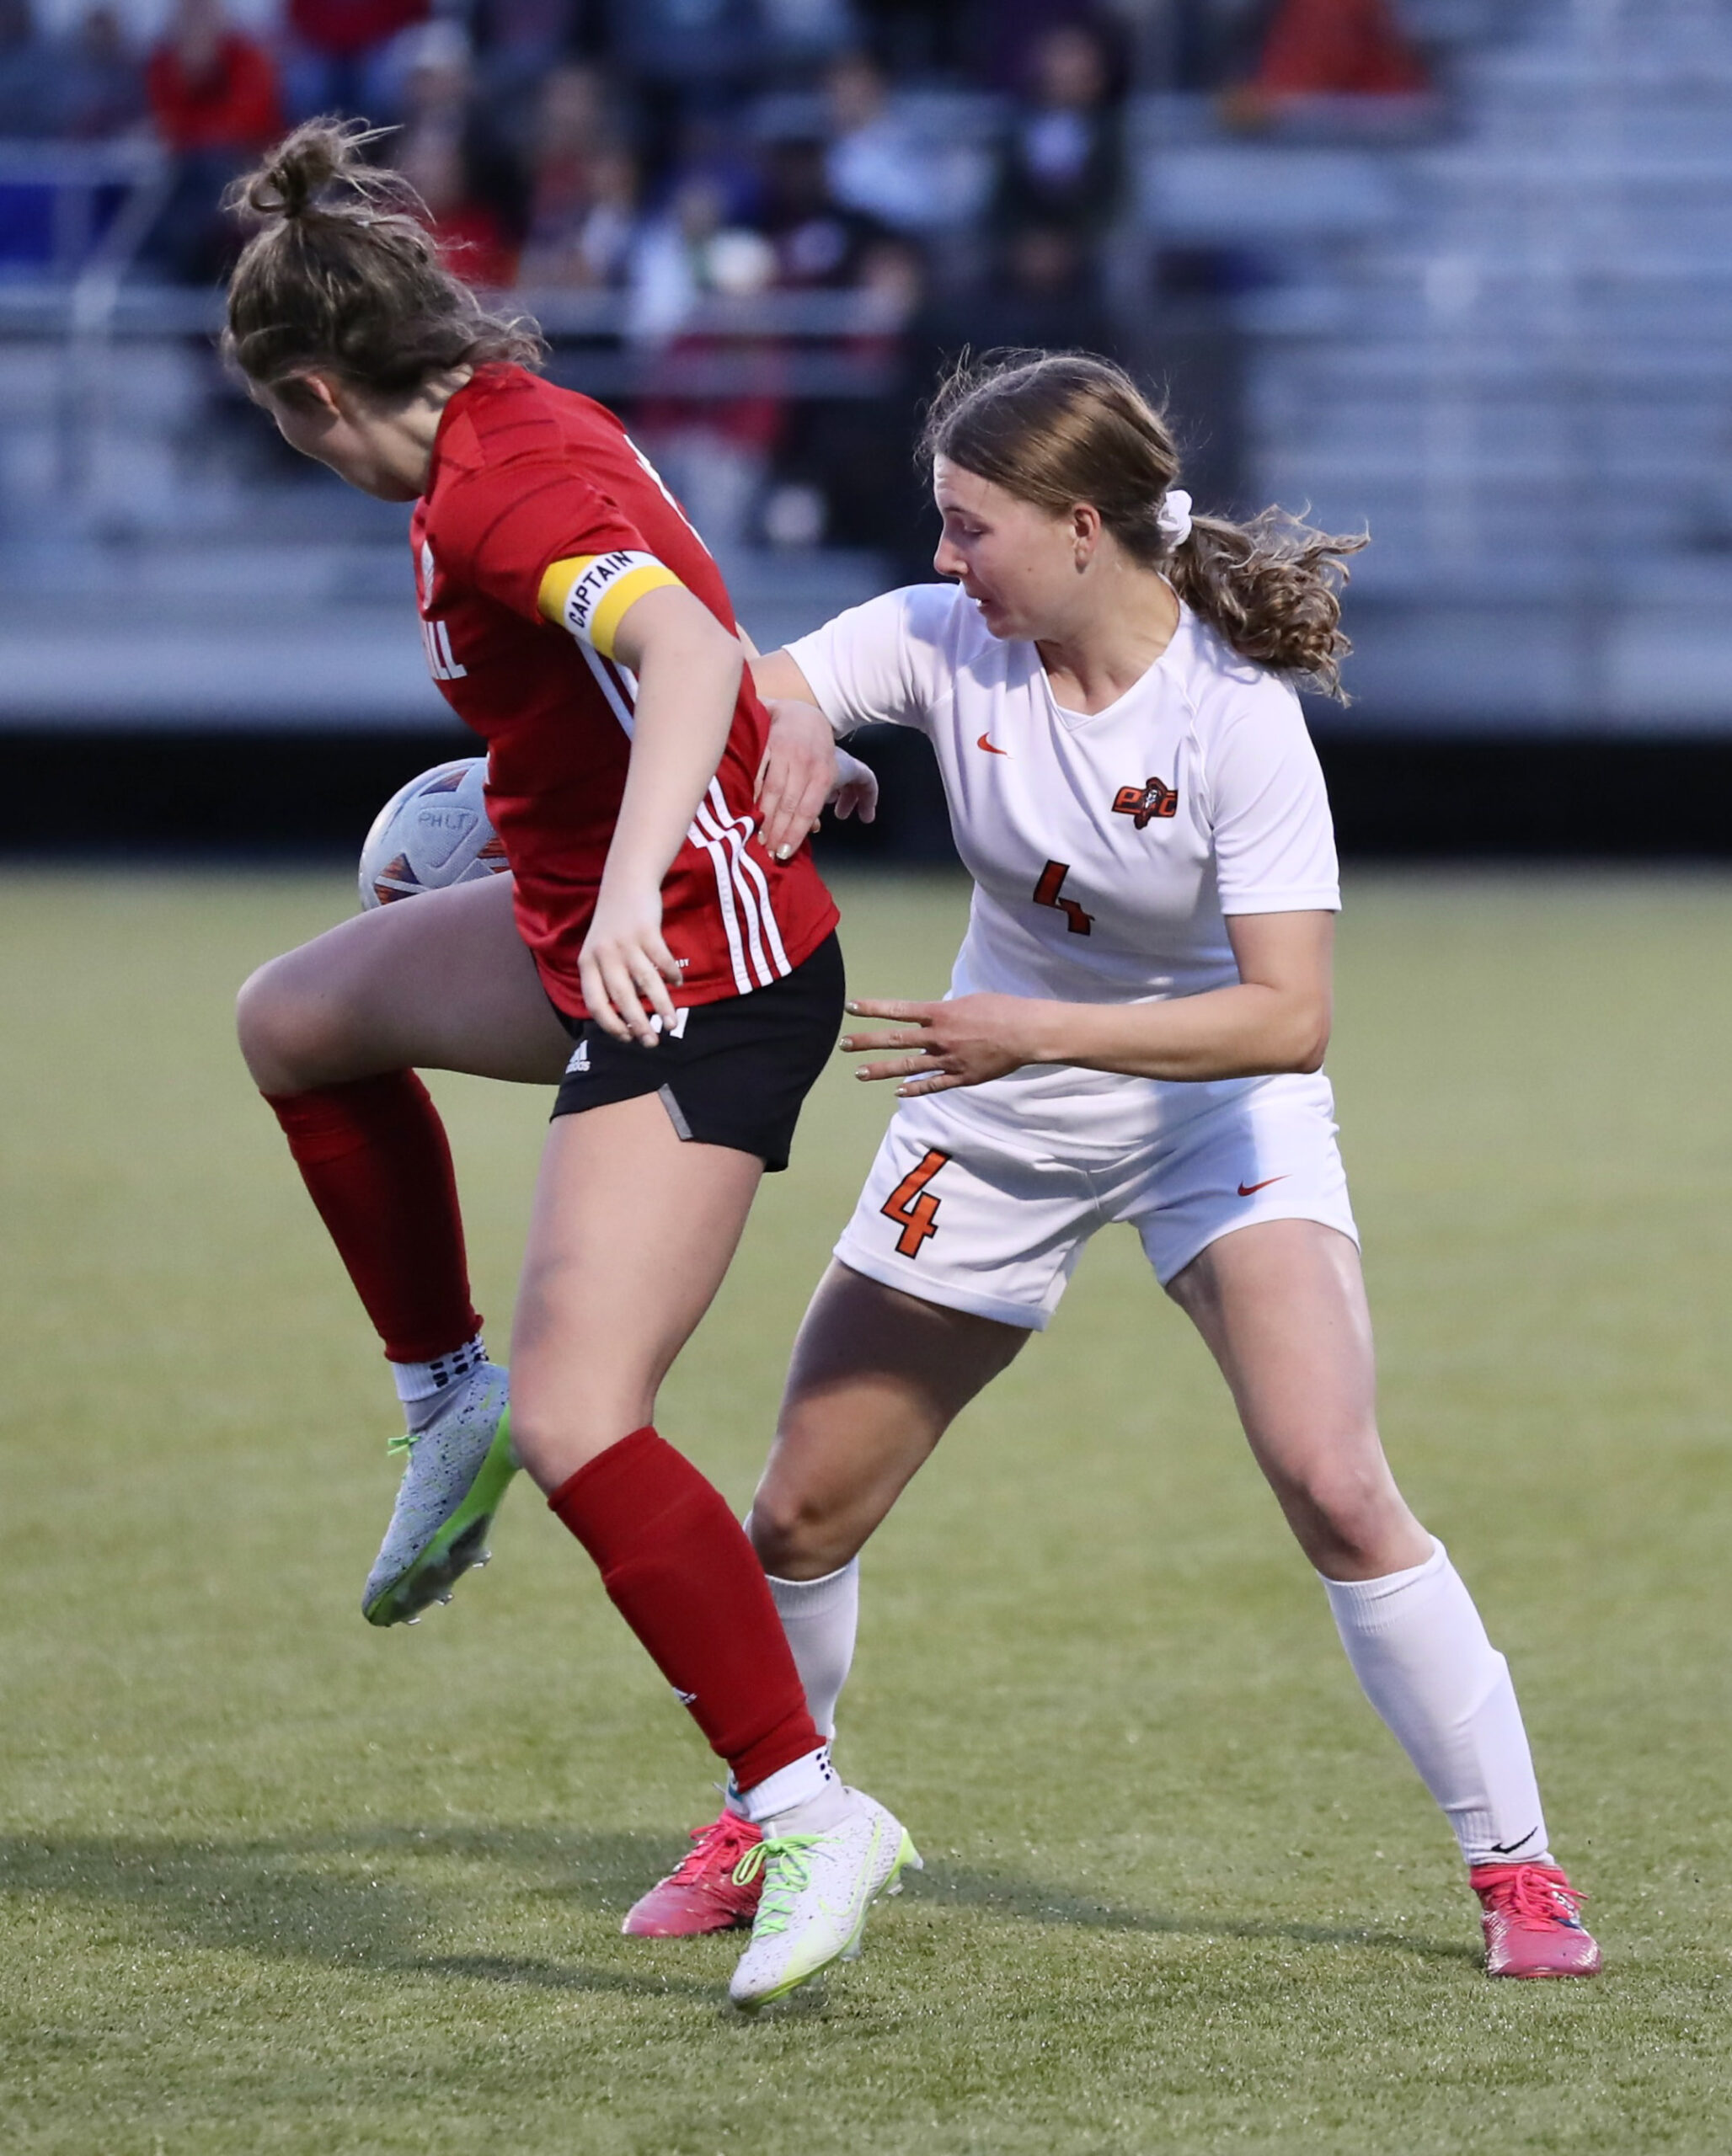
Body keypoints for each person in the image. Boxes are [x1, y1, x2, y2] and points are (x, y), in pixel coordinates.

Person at [618, 353, 1602, 1982]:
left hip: (1209, 1113)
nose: (945, 558)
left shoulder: (1235, 720)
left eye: (970, 526)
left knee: (1336, 1483)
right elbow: (742, 680)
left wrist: (1037, 1032)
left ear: (1082, 526)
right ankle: (775, 1819)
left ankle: (1520, 1873)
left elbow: (1288, 1020)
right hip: (994, 1116)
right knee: (795, 1514)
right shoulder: (948, 636)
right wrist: (800, 735)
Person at [222, 117, 914, 2010]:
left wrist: (632, 882)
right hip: (587, 925)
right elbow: (687, 624)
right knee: (294, 1021)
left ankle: (808, 1810)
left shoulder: (488, 495)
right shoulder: (512, 423)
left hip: (697, 973)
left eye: (291, 431)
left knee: (587, 1419)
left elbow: (673, 651)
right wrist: (781, 726)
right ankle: (438, 1392)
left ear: (314, 392)